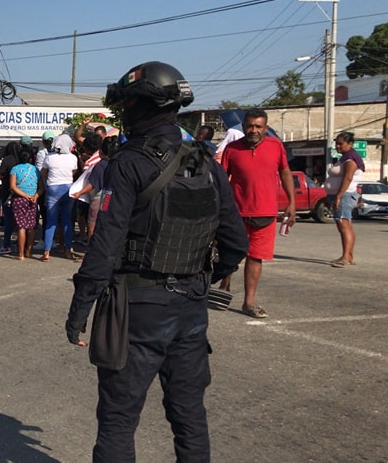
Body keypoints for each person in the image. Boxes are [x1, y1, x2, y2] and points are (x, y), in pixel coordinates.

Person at [66, 61, 248, 462]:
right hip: (191, 310)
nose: (124, 112)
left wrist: (80, 308)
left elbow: (105, 245)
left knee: (118, 420)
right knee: (189, 417)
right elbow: (236, 243)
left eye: (128, 104)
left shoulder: (128, 163)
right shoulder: (206, 164)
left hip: (137, 310)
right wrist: (196, 274)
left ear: (144, 105)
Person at [219, 108, 296, 318]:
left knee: (255, 257)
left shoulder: (276, 146)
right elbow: (222, 179)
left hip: (266, 212)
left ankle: (248, 303)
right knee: (231, 253)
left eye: (258, 126)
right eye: (250, 126)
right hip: (236, 213)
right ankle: (224, 286)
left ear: (265, 128)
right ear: (243, 127)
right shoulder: (232, 149)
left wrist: (291, 202)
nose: (254, 130)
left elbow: (285, 172)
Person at [324, 131, 365, 267]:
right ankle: (349, 255)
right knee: (346, 225)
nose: (338, 146)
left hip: (345, 194)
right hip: (342, 194)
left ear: (350, 144)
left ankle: (345, 258)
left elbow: (348, 178)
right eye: (336, 144)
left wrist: (338, 196)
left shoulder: (351, 159)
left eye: (341, 144)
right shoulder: (346, 157)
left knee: (343, 225)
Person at [41, 134, 78, 261]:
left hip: (52, 189)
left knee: (51, 222)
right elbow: (73, 172)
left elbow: (43, 173)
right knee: (67, 222)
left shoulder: (49, 157)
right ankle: (68, 250)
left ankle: (47, 251)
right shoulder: (73, 158)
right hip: (68, 189)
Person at [9, 149, 41, 260]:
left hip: (19, 199)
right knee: (31, 226)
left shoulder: (15, 169)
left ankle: (21, 254)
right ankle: (29, 252)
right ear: (31, 158)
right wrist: (35, 196)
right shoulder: (36, 170)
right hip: (33, 199)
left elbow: (13, 187)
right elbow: (42, 187)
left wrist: (24, 195)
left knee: (21, 227)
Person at [0, 141, 23, 254]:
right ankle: (21, 244)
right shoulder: (22, 159)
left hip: (7, 192)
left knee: (9, 220)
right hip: (22, 192)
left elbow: (0, 175)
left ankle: (7, 244)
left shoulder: (6, 160)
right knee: (21, 222)